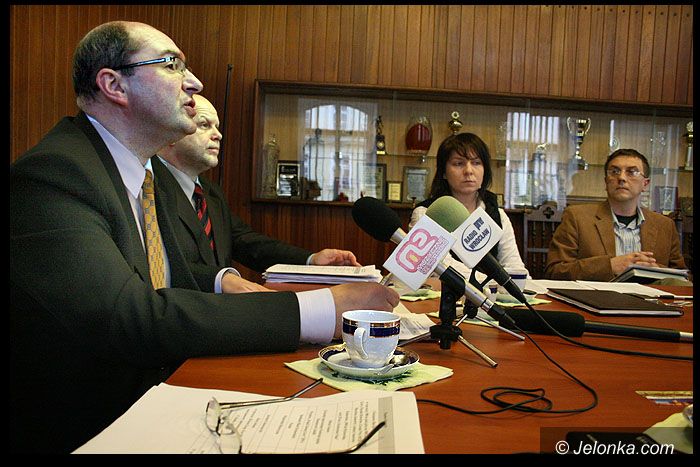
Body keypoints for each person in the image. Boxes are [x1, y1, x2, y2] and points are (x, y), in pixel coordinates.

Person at [10, 21, 399, 453]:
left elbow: (170, 275)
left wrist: (237, 282)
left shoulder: (145, 175)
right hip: (93, 428)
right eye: (172, 65)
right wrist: (321, 309)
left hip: (165, 395)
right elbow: (129, 317)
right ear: (114, 85)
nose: (194, 83)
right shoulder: (55, 175)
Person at [154, 94, 359, 293]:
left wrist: (311, 259)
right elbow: (161, 265)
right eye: (204, 125)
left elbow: (247, 243)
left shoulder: (210, 192)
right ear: (171, 133)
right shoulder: (148, 189)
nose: (218, 135)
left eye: (217, 126)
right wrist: (220, 280)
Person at [545, 148, 686, 281]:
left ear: (645, 184)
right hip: (597, 298)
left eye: (632, 172)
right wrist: (610, 266)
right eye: (614, 171)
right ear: (606, 181)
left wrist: (655, 271)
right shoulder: (577, 217)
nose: (622, 178)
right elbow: (555, 271)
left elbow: (683, 278)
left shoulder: (665, 225)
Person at [409, 132, 528, 283]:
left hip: (492, 293)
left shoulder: (497, 214)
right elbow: (440, 267)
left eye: (476, 163)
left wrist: (518, 283)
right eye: (458, 163)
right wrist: (494, 280)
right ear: (444, 172)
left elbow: (514, 265)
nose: (469, 171)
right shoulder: (427, 213)